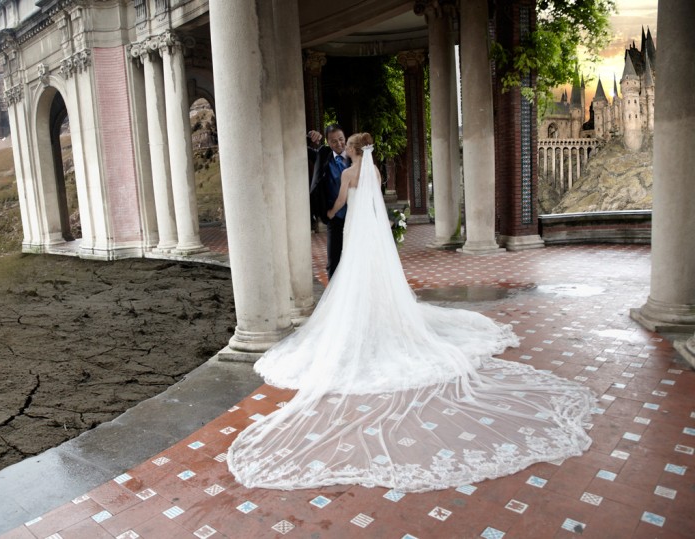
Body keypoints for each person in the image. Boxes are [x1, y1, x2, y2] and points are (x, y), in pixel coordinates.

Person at [227, 133, 595, 492]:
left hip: (356, 232)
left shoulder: (351, 173)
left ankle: (362, 322)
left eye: (349, 145)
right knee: (377, 278)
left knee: (352, 278)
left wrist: (328, 211)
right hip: (373, 233)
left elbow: (340, 203)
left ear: (353, 150)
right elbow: (378, 205)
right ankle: (381, 318)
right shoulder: (373, 172)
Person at [308, 125, 350, 279]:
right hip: (334, 217)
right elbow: (300, 148)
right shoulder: (323, 154)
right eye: (333, 141)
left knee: (356, 258)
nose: (339, 144)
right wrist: (310, 136)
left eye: (341, 139)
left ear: (345, 138)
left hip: (354, 216)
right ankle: (335, 298)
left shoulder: (354, 155)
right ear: (327, 142)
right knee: (333, 262)